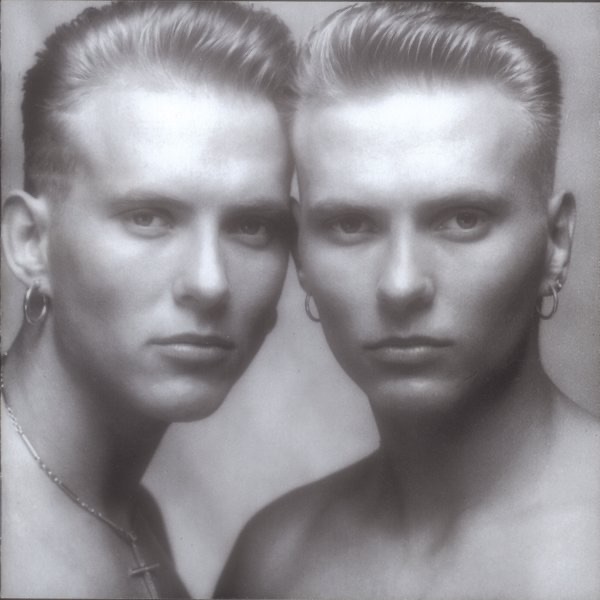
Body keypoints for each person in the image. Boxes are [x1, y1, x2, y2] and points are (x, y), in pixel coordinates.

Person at [215, 3, 600, 599]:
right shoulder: (274, 558)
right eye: (351, 225)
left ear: (555, 242)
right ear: (301, 253)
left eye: (463, 219)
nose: (400, 285)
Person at [0, 1, 296, 597]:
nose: (210, 283)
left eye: (252, 226)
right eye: (149, 217)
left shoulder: (126, 514)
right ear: (32, 243)